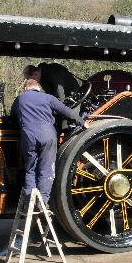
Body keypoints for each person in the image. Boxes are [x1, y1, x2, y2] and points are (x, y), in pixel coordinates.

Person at [10, 76, 82, 206]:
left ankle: (29, 202)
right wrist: (82, 122)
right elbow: (67, 112)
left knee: (31, 169)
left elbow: (12, 115)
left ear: (26, 88)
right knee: (46, 169)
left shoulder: (20, 99)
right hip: (47, 136)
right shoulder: (48, 97)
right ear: (38, 88)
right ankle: (42, 201)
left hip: (28, 137)